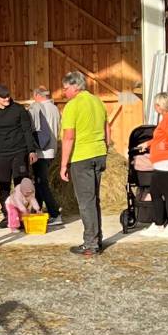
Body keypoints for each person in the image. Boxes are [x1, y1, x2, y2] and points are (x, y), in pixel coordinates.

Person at [59, 71, 110, 257]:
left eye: (66, 89)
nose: (64, 93)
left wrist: (63, 164)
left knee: (85, 202)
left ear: (75, 86)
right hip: (99, 153)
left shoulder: (72, 106)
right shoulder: (97, 101)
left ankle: (90, 244)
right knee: (94, 199)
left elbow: (69, 136)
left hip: (82, 156)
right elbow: (107, 128)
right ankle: (97, 239)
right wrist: (105, 148)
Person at [0, 84, 37, 229]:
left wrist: (31, 151)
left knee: (21, 185)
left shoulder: (19, 110)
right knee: (3, 186)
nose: (7, 98)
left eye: (8, 95)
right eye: (3, 97)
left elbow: (27, 131)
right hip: (3, 154)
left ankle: (22, 216)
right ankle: (8, 216)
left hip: (20, 152)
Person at [136, 92, 168, 238]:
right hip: (165, 162)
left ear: (160, 106)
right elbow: (162, 138)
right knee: (156, 192)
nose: (155, 107)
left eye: (156, 104)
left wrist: (165, 146)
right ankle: (158, 224)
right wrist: (149, 144)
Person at [28, 86, 63, 227]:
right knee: (39, 182)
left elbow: (34, 129)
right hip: (52, 150)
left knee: (42, 184)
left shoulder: (37, 108)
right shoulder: (55, 109)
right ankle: (37, 211)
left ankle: (55, 213)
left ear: (37, 95)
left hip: (41, 151)